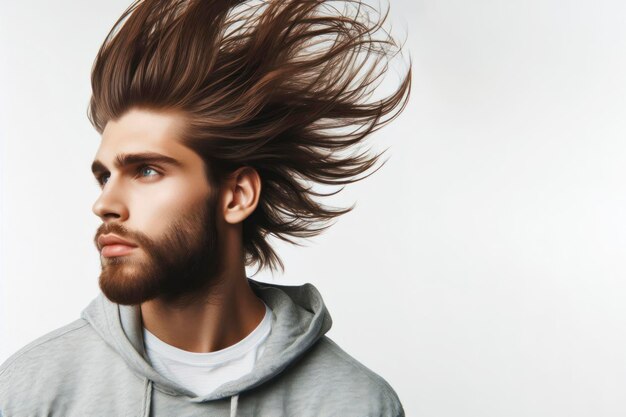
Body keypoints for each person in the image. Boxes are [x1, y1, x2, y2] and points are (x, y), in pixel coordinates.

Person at [0, 0, 411, 415]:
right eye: (105, 176)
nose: (104, 203)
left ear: (236, 196)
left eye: (145, 171)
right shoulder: (33, 391)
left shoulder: (355, 404)